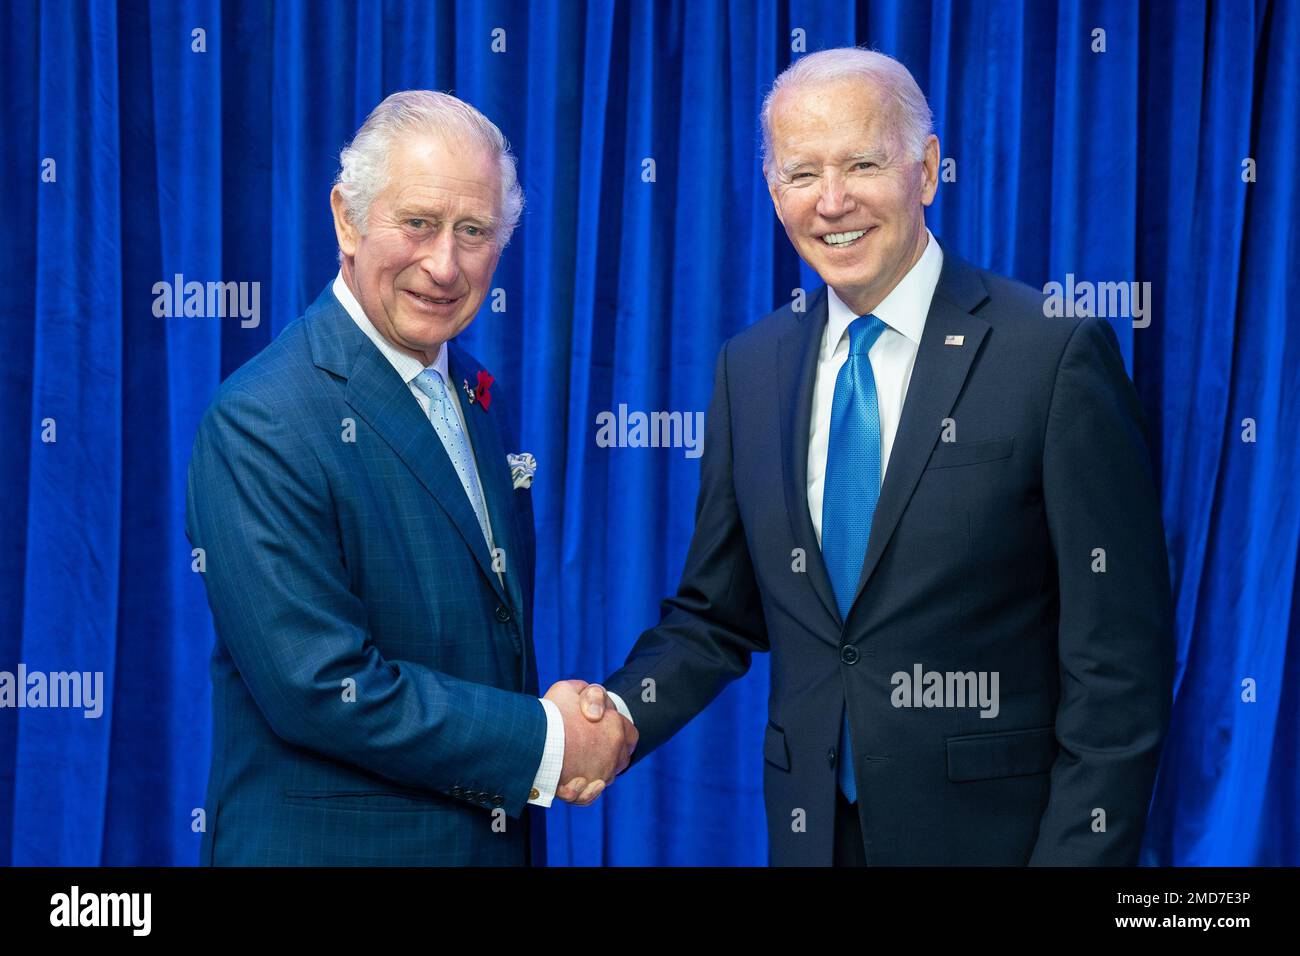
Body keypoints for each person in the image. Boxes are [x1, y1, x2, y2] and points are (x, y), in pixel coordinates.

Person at [572, 48, 1174, 866]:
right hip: (814, 838)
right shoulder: (750, 369)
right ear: (773, 190)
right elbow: (716, 614)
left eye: (862, 163)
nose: (832, 201)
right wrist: (615, 712)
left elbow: (1120, 669)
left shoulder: (1052, 354)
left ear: (926, 170)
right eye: (800, 173)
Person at [186, 90, 635, 866]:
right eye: (419, 224)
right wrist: (550, 740)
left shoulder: (472, 393)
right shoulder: (263, 417)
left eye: (474, 232)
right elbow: (321, 687)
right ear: (346, 218)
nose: (444, 265)